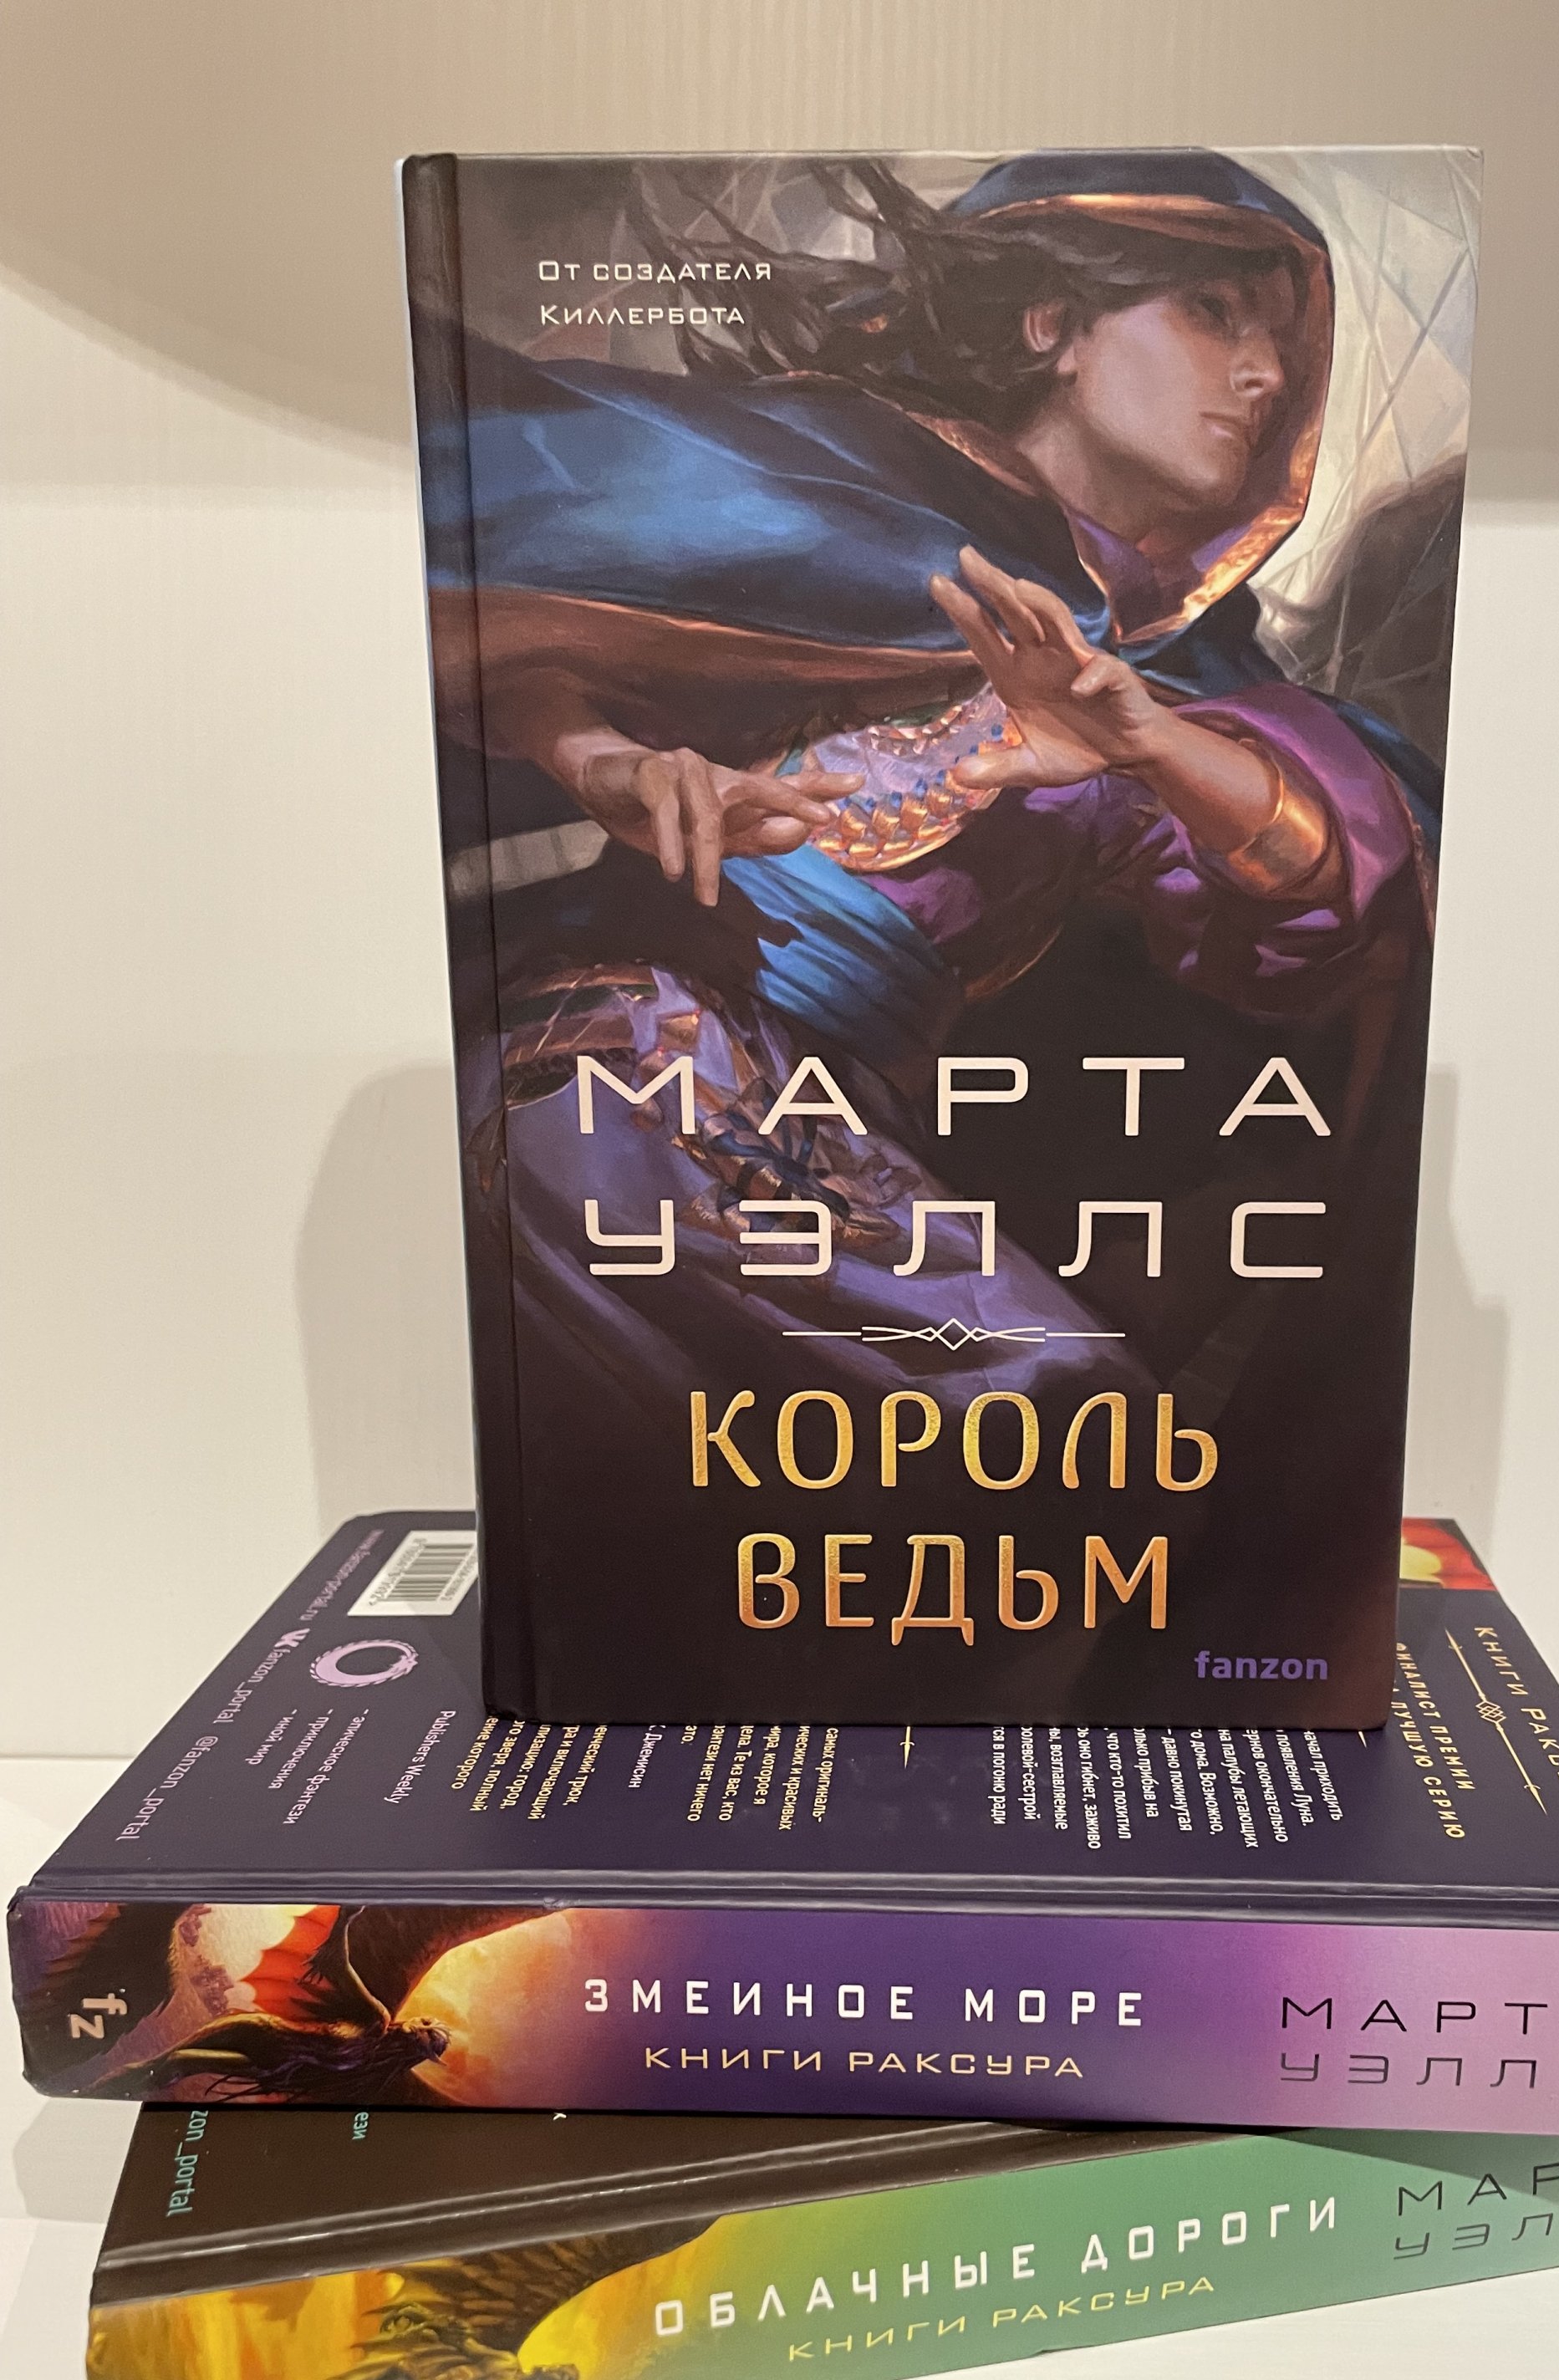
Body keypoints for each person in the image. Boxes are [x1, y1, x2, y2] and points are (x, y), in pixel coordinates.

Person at [420, 150, 1439, 1712]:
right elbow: (486, 578)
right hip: (614, 1063)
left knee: (1049, 1453)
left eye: (1284, 347)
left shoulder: (1199, 683)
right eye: (1211, 312)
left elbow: (1345, 899)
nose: (1260, 373)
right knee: (1026, 1421)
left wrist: (1142, 740)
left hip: (824, 1123)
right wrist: (602, 758)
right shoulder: (827, 477)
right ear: (1053, 325)